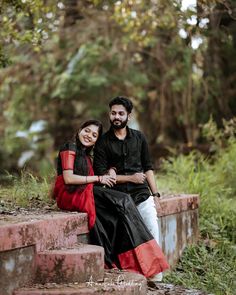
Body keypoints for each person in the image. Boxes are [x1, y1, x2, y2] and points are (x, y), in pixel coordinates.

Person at [53, 119, 169, 280]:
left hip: (85, 190)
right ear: (79, 129)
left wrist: (111, 170)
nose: (89, 136)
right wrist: (99, 178)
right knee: (123, 201)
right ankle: (148, 262)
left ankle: (132, 262)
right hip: (71, 193)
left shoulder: (85, 155)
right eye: (87, 131)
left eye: (94, 135)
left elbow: (95, 174)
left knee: (115, 215)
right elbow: (69, 178)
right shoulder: (69, 147)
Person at [93, 96, 165, 282]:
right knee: (126, 236)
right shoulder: (102, 142)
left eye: (121, 113)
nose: (116, 117)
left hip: (141, 194)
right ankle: (134, 275)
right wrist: (129, 178)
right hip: (116, 199)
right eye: (113, 113)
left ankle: (155, 277)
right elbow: (101, 174)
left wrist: (155, 194)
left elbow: (148, 167)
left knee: (151, 228)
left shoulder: (139, 138)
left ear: (128, 116)